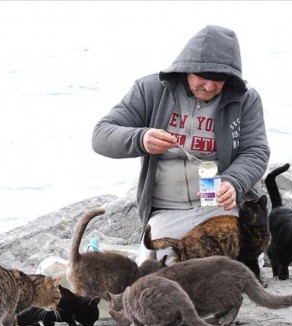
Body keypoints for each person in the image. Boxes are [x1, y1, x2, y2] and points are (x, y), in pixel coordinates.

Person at [92, 24, 270, 264]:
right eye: (203, 78)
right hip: (167, 210)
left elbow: (256, 150)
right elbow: (101, 136)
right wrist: (140, 139)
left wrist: (234, 182)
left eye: (219, 81)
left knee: (229, 277)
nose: (209, 86)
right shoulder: (150, 89)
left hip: (221, 209)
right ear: (186, 68)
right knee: (153, 283)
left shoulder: (246, 99)